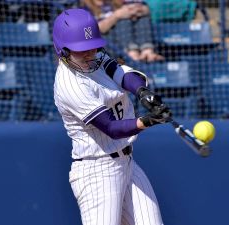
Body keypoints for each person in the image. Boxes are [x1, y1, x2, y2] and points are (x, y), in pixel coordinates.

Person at [52, 8, 171, 225]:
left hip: (127, 163)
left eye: (92, 47)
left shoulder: (94, 58)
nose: (89, 53)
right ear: (64, 50)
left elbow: (121, 73)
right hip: (97, 171)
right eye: (82, 50)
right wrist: (148, 120)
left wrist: (143, 93)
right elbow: (111, 128)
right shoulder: (69, 85)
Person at [82, 0, 163, 62]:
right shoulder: (83, 6)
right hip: (108, 40)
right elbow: (93, 31)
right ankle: (132, 52)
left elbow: (144, 8)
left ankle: (147, 50)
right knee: (123, 21)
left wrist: (138, 11)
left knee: (142, 19)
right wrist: (116, 16)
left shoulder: (116, 2)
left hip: (130, 33)